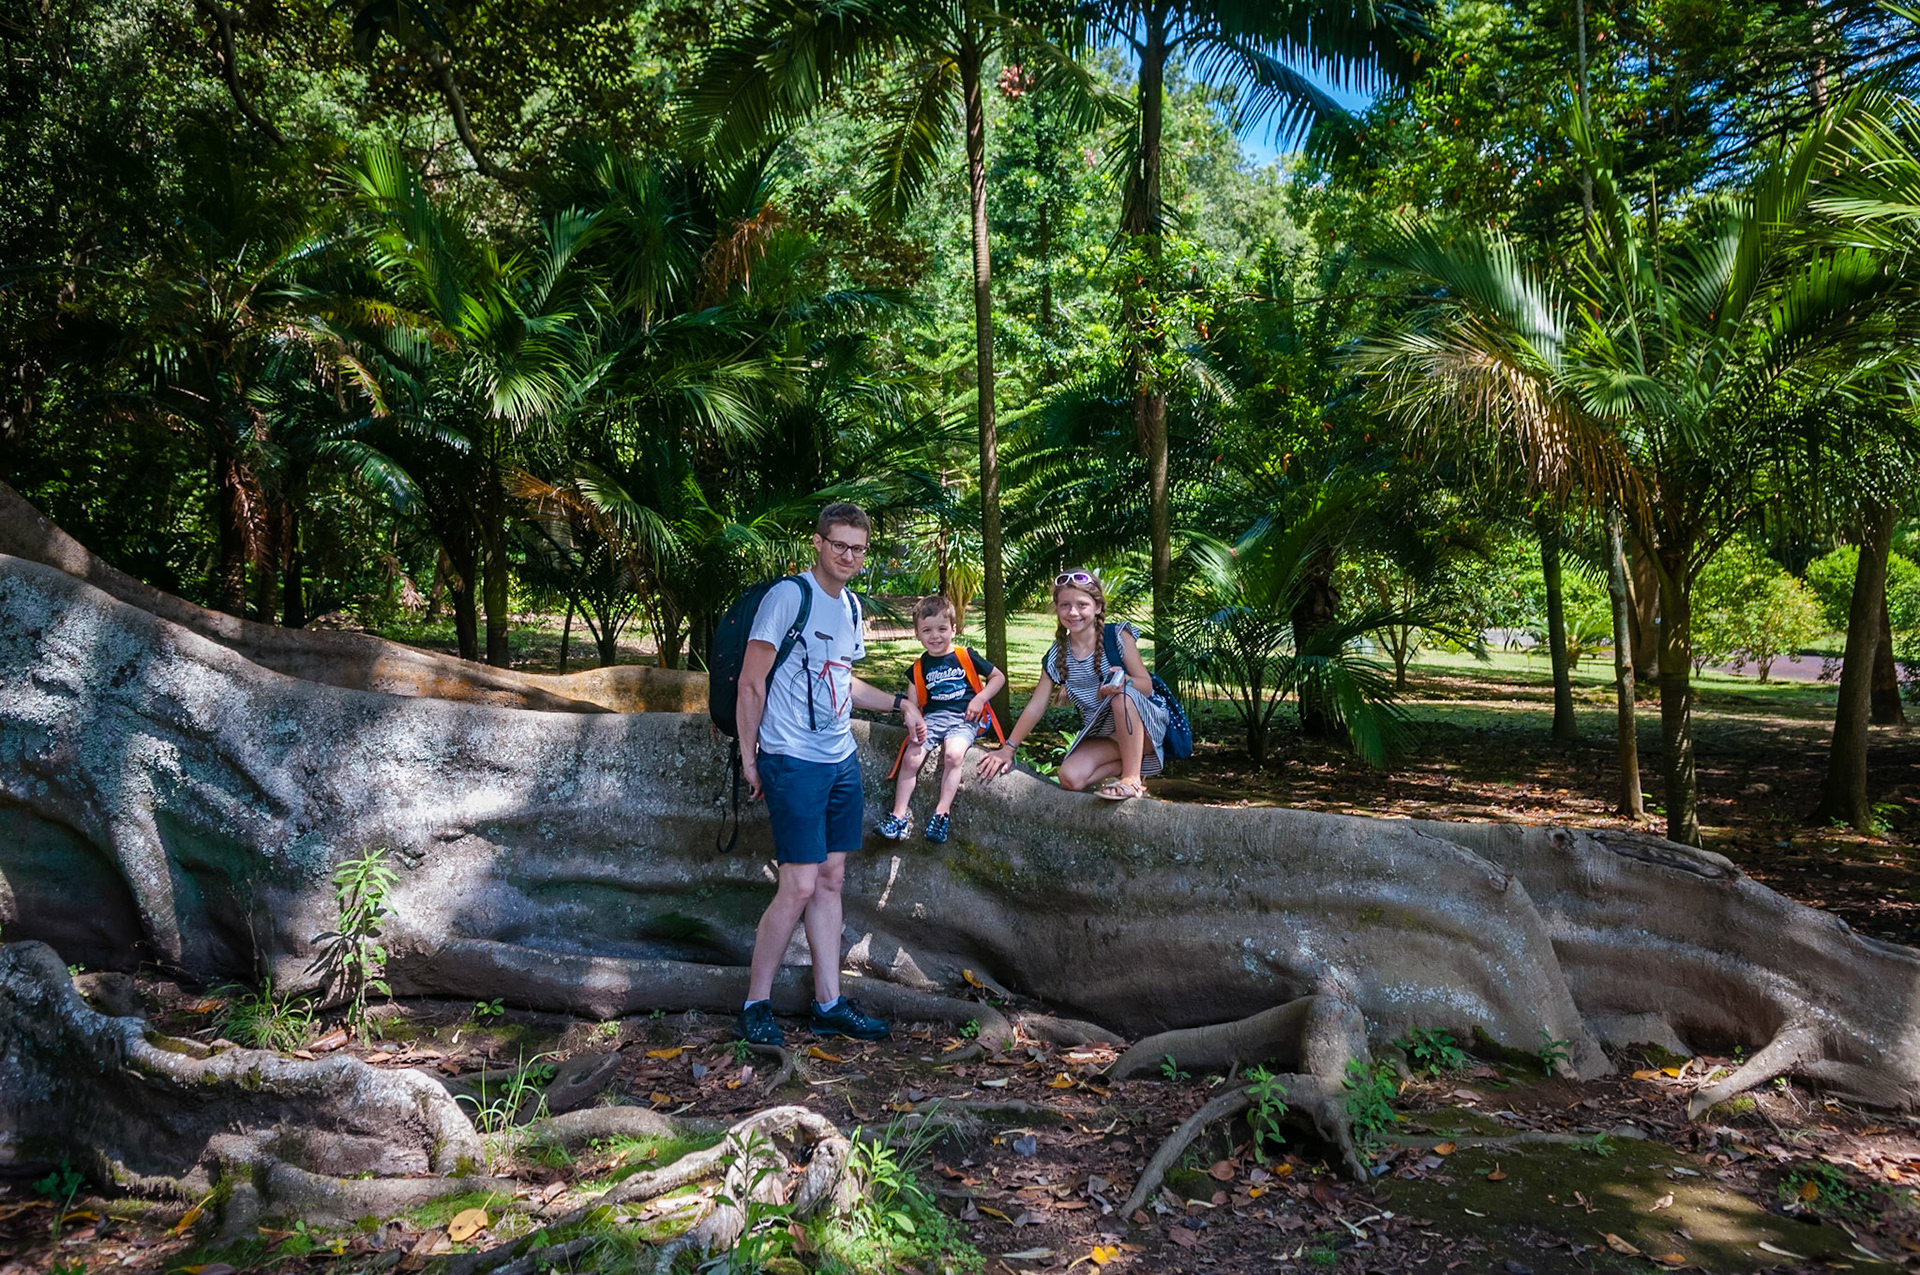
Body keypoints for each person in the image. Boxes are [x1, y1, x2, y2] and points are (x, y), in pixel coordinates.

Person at [735, 503, 922, 1047]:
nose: (848, 555)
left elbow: (845, 681)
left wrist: (900, 705)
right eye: (839, 544)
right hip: (791, 758)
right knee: (796, 885)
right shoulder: (788, 597)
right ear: (817, 543)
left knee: (832, 879)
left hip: (839, 758)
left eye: (858, 548)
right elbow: (751, 683)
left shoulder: (851, 606)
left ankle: (828, 1003)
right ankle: (754, 1004)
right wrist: (751, 757)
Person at [977, 569, 1166, 799]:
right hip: (1104, 737)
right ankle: (1130, 765)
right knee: (1070, 778)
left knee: (1121, 697)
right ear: (1056, 609)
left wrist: (1124, 682)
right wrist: (1008, 748)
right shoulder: (1057, 655)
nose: (1073, 612)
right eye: (1065, 605)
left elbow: (1146, 685)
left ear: (1097, 607)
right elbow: (1036, 707)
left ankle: (1132, 779)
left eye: (1082, 605)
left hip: (1143, 728)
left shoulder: (1117, 636)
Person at [879, 594, 1007, 844]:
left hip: (963, 718)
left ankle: (941, 813)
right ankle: (898, 815)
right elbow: (912, 705)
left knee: (954, 755)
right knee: (911, 758)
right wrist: (913, 722)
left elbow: (998, 677)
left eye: (942, 629)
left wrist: (980, 699)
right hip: (933, 719)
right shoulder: (918, 667)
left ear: (954, 629)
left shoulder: (965, 655)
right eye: (926, 630)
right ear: (917, 633)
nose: (935, 636)